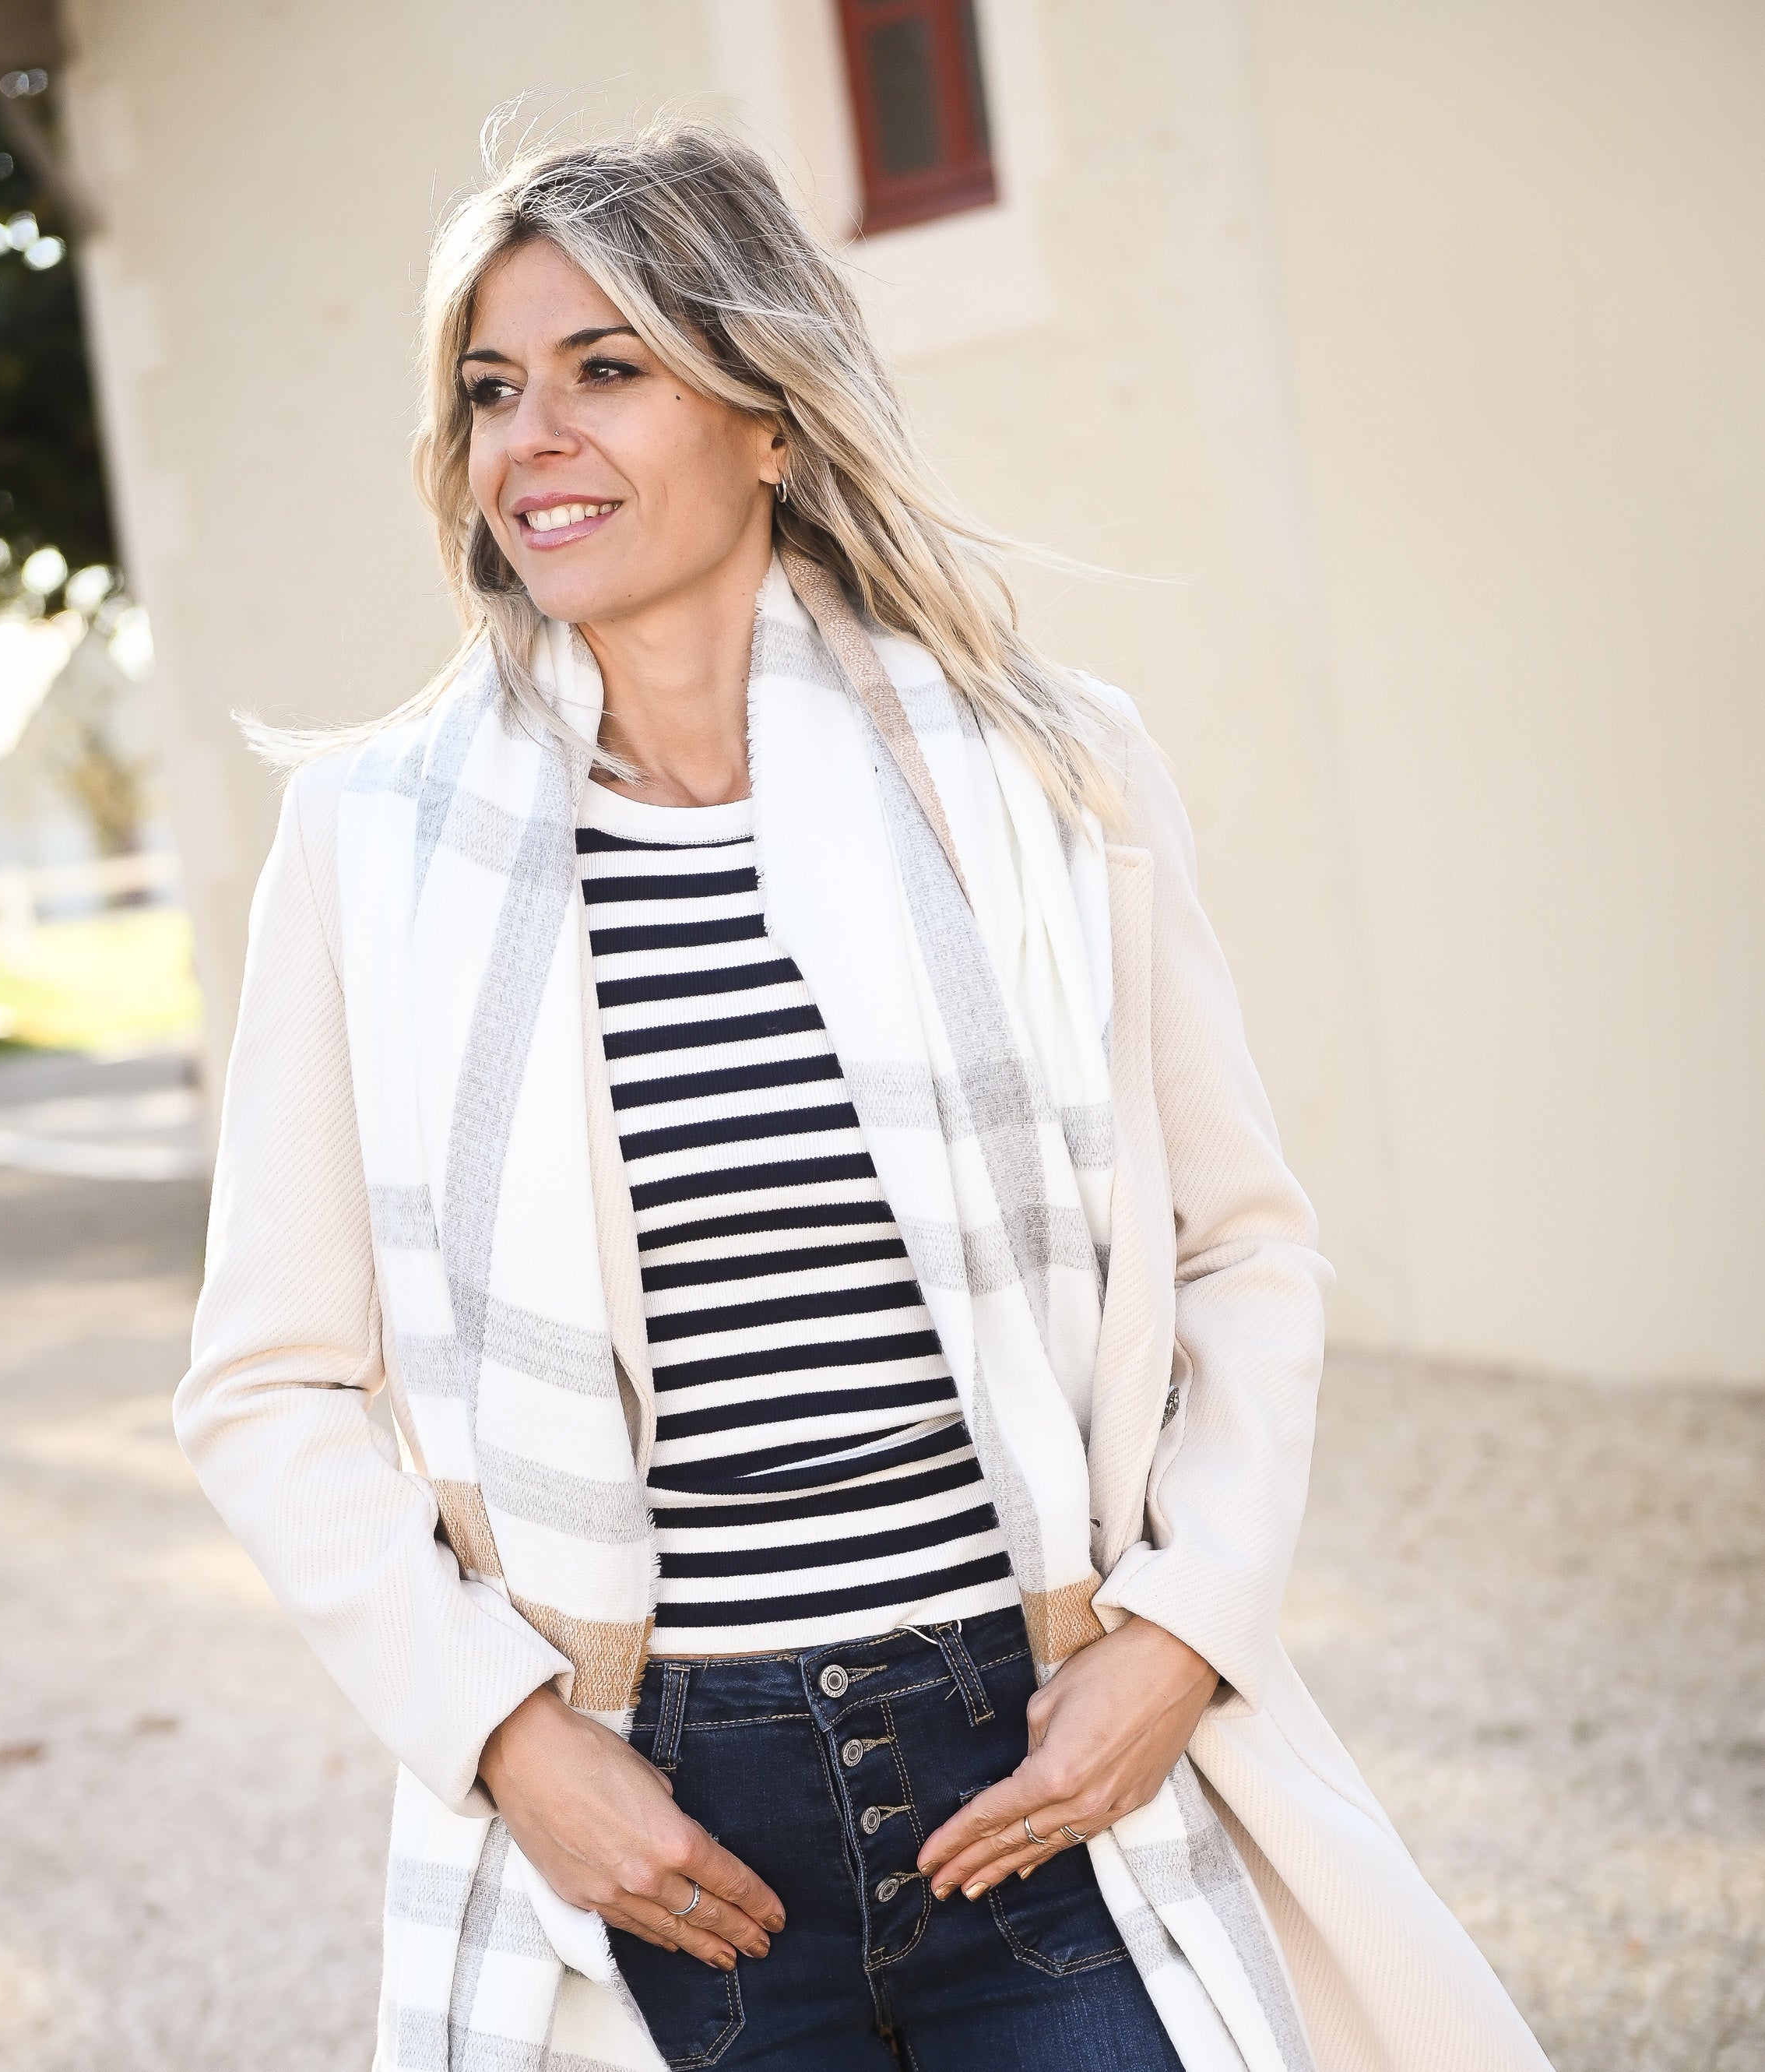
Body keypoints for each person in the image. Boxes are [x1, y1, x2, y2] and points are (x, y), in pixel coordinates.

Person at [178, 122, 1553, 2072]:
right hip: (658, 1822)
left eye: (602, 368)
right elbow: (267, 1383)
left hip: (1040, 1755)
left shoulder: (1045, 773)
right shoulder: (372, 845)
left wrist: (1179, 1639)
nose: (529, 439)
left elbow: (1239, 1250)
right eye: (487, 388)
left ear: (765, 413)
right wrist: (510, 1739)